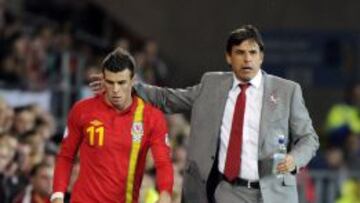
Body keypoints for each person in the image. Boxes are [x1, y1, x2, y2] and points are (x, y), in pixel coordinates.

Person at [90, 25, 319, 203]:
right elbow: (169, 99)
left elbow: (309, 138)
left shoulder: (287, 91)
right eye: (240, 53)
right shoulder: (212, 84)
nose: (247, 59)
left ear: (261, 56)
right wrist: (127, 86)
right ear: (229, 57)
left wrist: (294, 159)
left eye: (252, 52)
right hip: (230, 191)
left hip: (275, 191)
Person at [51, 48, 173, 203]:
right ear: (102, 79)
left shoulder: (151, 117)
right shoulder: (82, 110)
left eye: (121, 83)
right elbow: (66, 156)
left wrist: (165, 193)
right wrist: (57, 195)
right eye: (110, 82)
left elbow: (163, 162)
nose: (115, 90)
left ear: (133, 80)